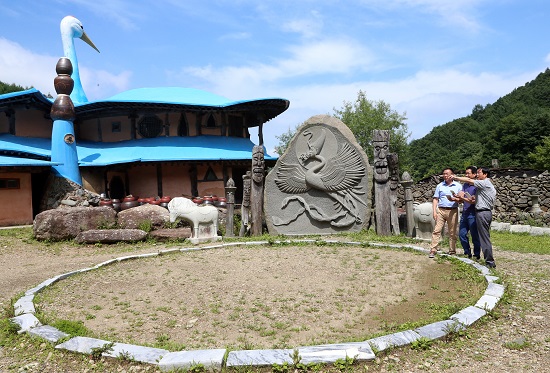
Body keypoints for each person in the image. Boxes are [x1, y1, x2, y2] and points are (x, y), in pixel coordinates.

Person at [453, 167, 497, 268]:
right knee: (483, 237)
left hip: (482, 212)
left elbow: (469, 180)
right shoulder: (485, 185)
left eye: (479, 173)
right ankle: (488, 260)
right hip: (483, 212)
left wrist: (455, 177)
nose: (477, 175)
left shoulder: (485, 182)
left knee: (484, 238)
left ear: (485, 174)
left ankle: (490, 262)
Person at [429, 168, 462, 258]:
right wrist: (434, 211)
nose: (445, 175)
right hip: (441, 210)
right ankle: (433, 249)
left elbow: (461, 199)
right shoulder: (440, 185)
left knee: (452, 232)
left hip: (453, 210)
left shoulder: (458, 186)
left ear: (452, 175)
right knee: (437, 230)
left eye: (447, 174)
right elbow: (435, 199)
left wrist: (456, 199)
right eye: (444, 174)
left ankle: (452, 250)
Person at [456, 166, 481, 260]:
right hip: (465, 213)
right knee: (462, 234)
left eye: (468, 173)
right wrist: (456, 197)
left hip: (473, 213)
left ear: (474, 174)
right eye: (465, 173)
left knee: (475, 235)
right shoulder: (465, 185)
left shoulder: (477, 185)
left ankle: (477, 254)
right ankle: (467, 252)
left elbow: (473, 201)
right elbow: (461, 198)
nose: (466, 175)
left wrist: (462, 198)